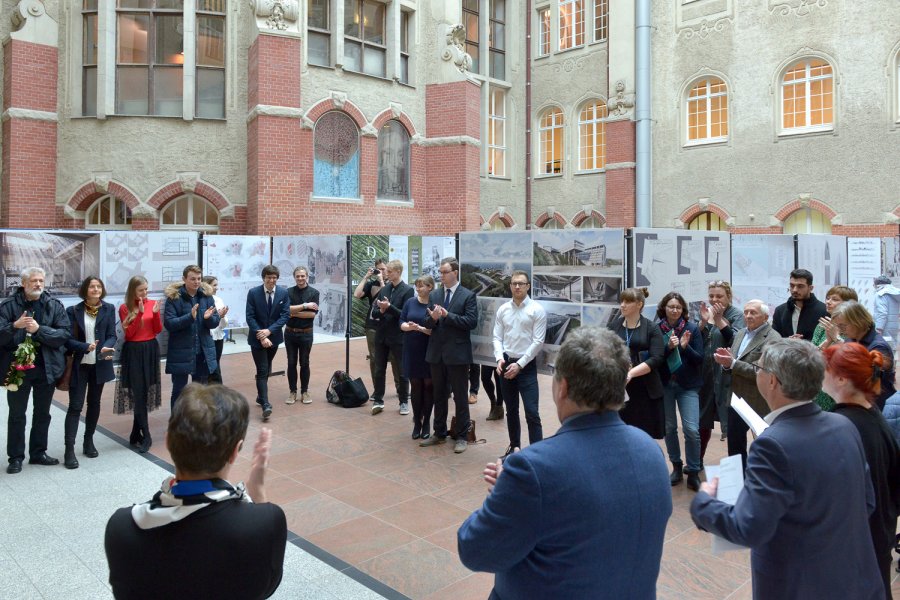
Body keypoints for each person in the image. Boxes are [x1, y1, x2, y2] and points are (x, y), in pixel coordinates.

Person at [457, 328, 672, 599]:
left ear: (563, 387)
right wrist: (516, 493)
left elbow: (475, 550)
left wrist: (505, 496)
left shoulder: (533, 469)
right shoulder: (651, 451)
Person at [691, 339, 884, 600]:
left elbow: (747, 528)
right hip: (854, 579)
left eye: (758, 367)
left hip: (801, 586)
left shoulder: (772, 444)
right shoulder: (844, 425)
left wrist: (704, 502)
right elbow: (867, 503)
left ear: (772, 381)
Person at [105, 384, 287, 600]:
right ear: (234, 452)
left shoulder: (122, 527)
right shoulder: (264, 522)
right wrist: (258, 491)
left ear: (169, 441)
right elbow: (266, 587)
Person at [823, 342, 900, 597]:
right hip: (877, 532)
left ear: (842, 379)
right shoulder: (871, 414)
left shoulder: (843, 425)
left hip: (858, 540)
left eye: (826, 369)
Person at [0, 267, 71, 474]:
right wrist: (15, 326)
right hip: (17, 370)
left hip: (45, 369)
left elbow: (63, 335)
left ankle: (38, 453)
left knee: (42, 414)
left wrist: (39, 330)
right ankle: (15, 458)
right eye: (33, 281)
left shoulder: (53, 305)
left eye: (41, 280)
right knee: (16, 415)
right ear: (24, 283)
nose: (38, 284)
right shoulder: (8, 306)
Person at [713, 299, 781, 468]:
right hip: (736, 399)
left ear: (765, 317)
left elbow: (764, 373)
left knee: (764, 448)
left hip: (759, 401)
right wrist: (726, 364)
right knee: (735, 446)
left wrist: (733, 364)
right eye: (746, 312)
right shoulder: (741, 333)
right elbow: (733, 363)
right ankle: (738, 482)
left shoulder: (772, 338)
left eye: (753, 312)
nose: (748, 316)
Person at [420, 257, 478, 454]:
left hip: (458, 354)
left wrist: (447, 316)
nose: (441, 276)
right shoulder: (435, 294)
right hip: (437, 353)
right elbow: (427, 322)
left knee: (461, 397)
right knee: (439, 395)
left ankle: (461, 436)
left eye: (445, 272)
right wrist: (433, 319)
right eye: (440, 272)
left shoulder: (467, 295)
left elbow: (471, 322)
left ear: (455, 272)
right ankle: (439, 433)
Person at [62, 276, 117, 469]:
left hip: (100, 364)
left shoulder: (109, 309)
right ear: (85, 290)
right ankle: (69, 450)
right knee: (75, 406)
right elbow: (67, 339)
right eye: (92, 286)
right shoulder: (73, 311)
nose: (95, 289)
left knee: (94, 403)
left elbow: (112, 335)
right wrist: (86, 346)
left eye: (98, 286)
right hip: (80, 364)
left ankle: (88, 441)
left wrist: (106, 348)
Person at [492, 270, 547, 458]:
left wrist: (520, 365)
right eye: (514, 283)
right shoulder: (503, 309)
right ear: (510, 286)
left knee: (532, 412)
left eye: (521, 283)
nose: (517, 286)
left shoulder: (536, 310)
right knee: (511, 410)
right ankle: (514, 448)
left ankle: (537, 454)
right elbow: (497, 337)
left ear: (528, 286)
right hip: (506, 364)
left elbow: (538, 342)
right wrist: (499, 358)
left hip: (526, 366)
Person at [656, 292, 704, 491]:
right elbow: (655, 357)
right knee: (669, 428)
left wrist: (684, 348)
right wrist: (668, 347)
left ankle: (693, 471)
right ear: (664, 308)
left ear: (683, 310)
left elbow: (700, 358)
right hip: (666, 385)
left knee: (692, 430)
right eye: (670, 307)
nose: (674, 310)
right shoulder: (657, 329)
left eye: (678, 307)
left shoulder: (692, 328)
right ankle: (676, 466)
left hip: (687, 386)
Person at [607, 287, 666, 439]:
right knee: (619, 434)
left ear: (639, 304)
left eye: (628, 301)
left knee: (643, 436)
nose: (622, 305)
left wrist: (631, 373)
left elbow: (656, 358)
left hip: (645, 389)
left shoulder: (651, 328)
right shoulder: (614, 325)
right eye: (621, 301)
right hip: (620, 387)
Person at [115, 276, 163, 453]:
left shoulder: (151, 303)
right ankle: (146, 434)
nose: (145, 293)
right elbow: (130, 334)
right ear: (133, 291)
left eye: (146, 289)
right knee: (137, 391)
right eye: (141, 290)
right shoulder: (124, 308)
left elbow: (157, 330)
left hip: (150, 349)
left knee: (144, 391)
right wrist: (140, 313)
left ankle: (135, 433)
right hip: (134, 351)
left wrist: (156, 313)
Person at [164, 265, 219, 409]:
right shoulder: (174, 298)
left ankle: (197, 423)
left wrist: (208, 319)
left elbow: (215, 322)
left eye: (199, 279)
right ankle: (176, 424)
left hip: (202, 351)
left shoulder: (207, 297)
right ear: (184, 279)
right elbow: (169, 324)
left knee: (200, 391)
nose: (196, 282)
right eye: (192, 279)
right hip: (181, 352)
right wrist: (189, 317)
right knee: (179, 391)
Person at [698, 281, 744, 444]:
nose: (714, 299)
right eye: (711, 296)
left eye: (719, 296)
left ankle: (735, 464)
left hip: (726, 374)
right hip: (706, 372)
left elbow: (736, 340)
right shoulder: (705, 312)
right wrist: (702, 323)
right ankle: (697, 463)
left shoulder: (737, 315)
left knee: (730, 420)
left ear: (729, 297)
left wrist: (719, 320)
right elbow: (698, 341)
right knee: (702, 420)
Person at [831, 300, 896, 410]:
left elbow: (865, 382)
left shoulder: (879, 347)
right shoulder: (851, 339)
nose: (841, 331)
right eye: (838, 327)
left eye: (843, 326)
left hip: (876, 407)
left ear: (858, 321)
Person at [246, 265, 290, 421]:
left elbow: (285, 316)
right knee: (263, 369)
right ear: (263, 278)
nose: (271, 280)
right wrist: (262, 335)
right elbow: (250, 317)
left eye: (274, 278)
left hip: (274, 338)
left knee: (266, 368)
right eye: (269, 277)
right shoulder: (253, 293)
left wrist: (269, 332)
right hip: (257, 339)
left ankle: (260, 396)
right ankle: (265, 404)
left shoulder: (283, 293)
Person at [354, 258, 401, 401]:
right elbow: (357, 294)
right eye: (378, 269)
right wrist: (366, 277)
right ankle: (377, 389)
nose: (382, 272)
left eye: (384, 269)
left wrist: (382, 282)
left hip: (391, 326)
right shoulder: (371, 284)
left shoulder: (394, 285)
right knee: (375, 359)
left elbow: (387, 300)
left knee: (395, 358)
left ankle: (400, 388)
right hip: (373, 326)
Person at [370, 259, 413, 415]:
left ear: (398, 272)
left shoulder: (408, 290)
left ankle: (403, 402)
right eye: (385, 271)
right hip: (381, 335)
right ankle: (378, 401)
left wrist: (389, 308)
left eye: (389, 271)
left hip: (398, 336)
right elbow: (374, 313)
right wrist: (381, 311)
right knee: (379, 369)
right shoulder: (384, 289)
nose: (385, 274)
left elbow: (406, 315)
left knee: (402, 370)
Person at [809, 285, 857, 411]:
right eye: (828, 298)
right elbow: (812, 354)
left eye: (834, 299)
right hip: (820, 383)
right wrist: (826, 342)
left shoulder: (854, 327)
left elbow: (855, 356)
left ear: (848, 304)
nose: (828, 302)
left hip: (842, 386)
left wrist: (836, 339)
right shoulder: (822, 325)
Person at [400, 275, 435, 439]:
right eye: (417, 286)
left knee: (428, 385)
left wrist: (419, 328)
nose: (418, 289)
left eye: (421, 286)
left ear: (430, 287)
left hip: (428, 349)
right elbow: (401, 321)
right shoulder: (410, 302)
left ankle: (427, 421)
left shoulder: (433, 304)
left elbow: (433, 330)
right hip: (412, 348)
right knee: (415, 385)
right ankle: (417, 422)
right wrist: (408, 327)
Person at [284, 266, 318, 405]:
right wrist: (305, 306)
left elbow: (312, 314)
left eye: (302, 276)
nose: (300, 278)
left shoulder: (314, 292)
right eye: (298, 276)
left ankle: (305, 391)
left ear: (307, 276)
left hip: (306, 333)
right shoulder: (288, 292)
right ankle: (293, 392)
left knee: (304, 363)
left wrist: (293, 312)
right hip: (290, 333)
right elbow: (285, 310)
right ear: (294, 277)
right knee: (291, 363)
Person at [771, 268, 827, 341]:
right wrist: (788, 341)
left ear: (810, 288)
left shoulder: (824, 311)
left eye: (800, 286)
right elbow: (774, 340)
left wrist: (802, 343)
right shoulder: (780, 310)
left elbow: (826, 341)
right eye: (792, 285)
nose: (795, 290)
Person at [202, 276, 229, 384]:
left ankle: (213, 390)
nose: (217, 288)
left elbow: (223, 324)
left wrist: (221, 316)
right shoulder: (201, 300)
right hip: (207, 337)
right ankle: (215, 390)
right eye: (214, 285)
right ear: (206, 286)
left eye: (217, 285)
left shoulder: (219, 300)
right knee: (211, 367)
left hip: (218, 336)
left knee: (216, 363)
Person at [873, 274, 900, 353]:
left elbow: (882, 313)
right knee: (892, 346)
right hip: (894, 326)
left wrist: (879, 328)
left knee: (883, 350)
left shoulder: (880, 294)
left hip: (884, 326)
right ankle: (892, 364)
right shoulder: (895, 294)